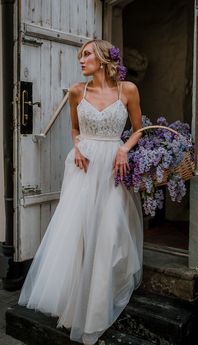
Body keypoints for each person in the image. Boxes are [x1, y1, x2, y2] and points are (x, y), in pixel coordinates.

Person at [18, 39, 143, 345]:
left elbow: (138, 129)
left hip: (113, 167)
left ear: (102, 59)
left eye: (86, 54)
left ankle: (100, 302)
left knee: (109, 231)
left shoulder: (128, 90)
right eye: (80, 56)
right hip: (83, 166)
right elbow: (74, 129)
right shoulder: (77, 91)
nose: (81, 60)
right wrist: (76, 146)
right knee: (79, 232)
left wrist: (124, 149)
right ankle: (75, 302)